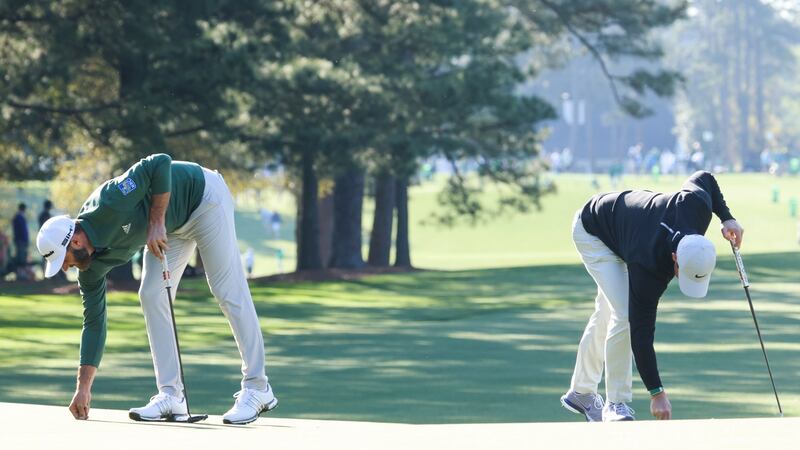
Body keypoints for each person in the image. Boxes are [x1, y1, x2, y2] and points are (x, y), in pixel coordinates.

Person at [36, 154, 278, 425]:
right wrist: (83, 388)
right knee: (151, 294)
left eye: (64, 260)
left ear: (77, 241)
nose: (66, 268)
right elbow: (93, 323)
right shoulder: (89, 269)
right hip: (171, 225)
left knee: (226, 288)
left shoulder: (109, 201)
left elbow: (159, 162)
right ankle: (171, 394)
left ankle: (258, 387)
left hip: (204, 198)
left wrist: (156, 222)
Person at [559, 171, 743, 422]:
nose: (680, 279)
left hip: (627, 225)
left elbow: (705, 178)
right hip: (594, 229)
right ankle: (616, 404)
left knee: (608, 310)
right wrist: (657, 392)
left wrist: (727, 217)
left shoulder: (697, 207)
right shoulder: (649, 268)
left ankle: (581, 391)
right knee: (624, 313)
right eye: (682, 273)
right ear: (675, 258)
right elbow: (641, 333)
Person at [12, 203, 33, 280]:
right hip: (21, 241)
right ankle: (20, 274)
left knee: (23, 256)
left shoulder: (19, 217)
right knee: (20, 257)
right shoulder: (18, 217)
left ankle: (21, 274)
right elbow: (21, 231)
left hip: (21, 240)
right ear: (23, 209)